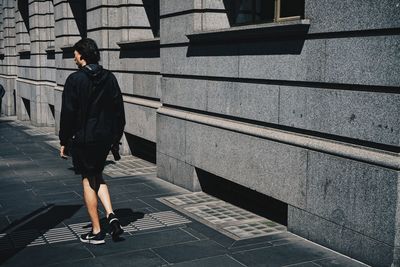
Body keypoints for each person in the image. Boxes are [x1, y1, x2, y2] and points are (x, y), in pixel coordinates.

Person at [59, 38, 126, 245]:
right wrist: (115, 138)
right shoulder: (109, 77)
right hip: (104, 137)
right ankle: (111, 215)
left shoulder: (75, 80)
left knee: (88, 181)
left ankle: (97, 232)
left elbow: (68, 114)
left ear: (82, 56)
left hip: (84, 139)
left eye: (75, 54)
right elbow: (118, 111)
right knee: (97, 173)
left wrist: (64, 140)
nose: (74, 57)